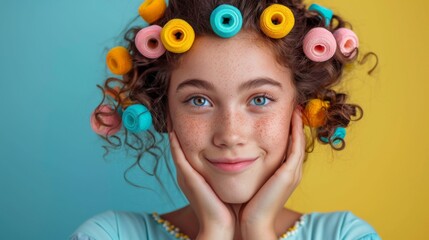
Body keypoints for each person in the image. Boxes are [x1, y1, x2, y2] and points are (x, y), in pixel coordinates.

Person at [73, 0, 380, 239]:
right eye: (199, 100)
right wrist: (214, 233)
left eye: (260, 99)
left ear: (300, 108)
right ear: (163, 111)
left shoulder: (348, 235)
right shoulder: (105, 235)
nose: (230, 135)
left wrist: (259, 230)